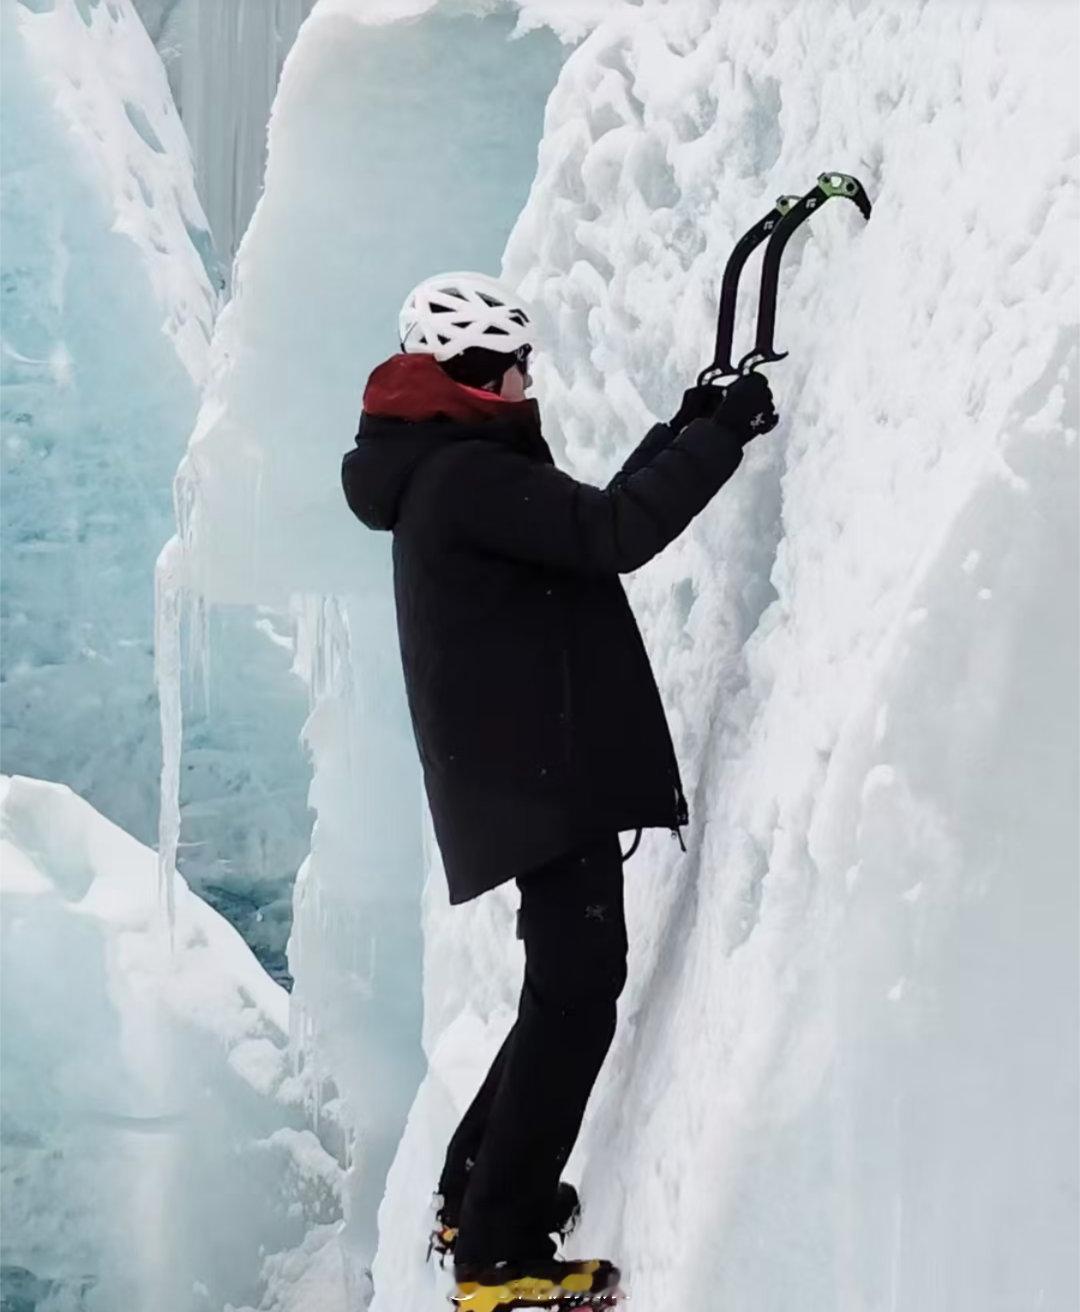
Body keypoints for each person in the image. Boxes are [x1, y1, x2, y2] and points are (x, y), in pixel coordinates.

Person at [341, 272, 778, 1309]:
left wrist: (687, 425)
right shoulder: (461, 478)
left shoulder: (443, 472)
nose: (529, 379)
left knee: (564, 988)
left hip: (521, 776)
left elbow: (581, 529)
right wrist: (728, 432)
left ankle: (471, 1193)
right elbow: (614, 535)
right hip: (539, 779)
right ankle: (499, 1254)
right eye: (518, 363)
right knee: (579, 994)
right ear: (479, 373)